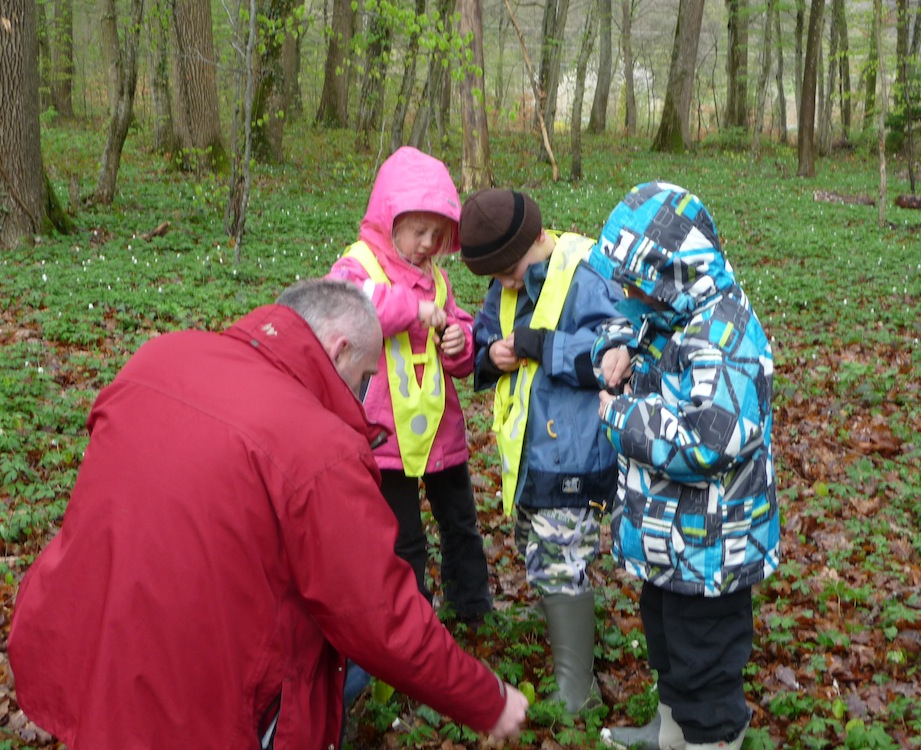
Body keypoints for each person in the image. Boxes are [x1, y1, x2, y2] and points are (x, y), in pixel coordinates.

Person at [7, 279, 528, 750]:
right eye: (366, 376)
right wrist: (489, 700)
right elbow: (382, 619)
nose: (364, 397)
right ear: (338, 350)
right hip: (205, 704)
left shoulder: (159, 357)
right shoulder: (318, 448)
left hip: (91, 648)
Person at [588, 182, 781, 750]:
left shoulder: (727, 337)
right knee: (668, 641)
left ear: (671, 271)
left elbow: (709, 442)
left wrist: (622, 417)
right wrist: (615, 347)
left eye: (637, 282)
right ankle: (672, 730)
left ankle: (712, 737)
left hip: (714, 546)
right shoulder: (671, 308)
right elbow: (633, 326)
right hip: (671, 540)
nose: (628, 294)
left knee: (705, 658)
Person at [459, 188, 624, 714]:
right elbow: (485, 339)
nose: (505, 282)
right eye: (495, 275)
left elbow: (616, 352)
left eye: (510, 269)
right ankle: (566, 635)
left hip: (577, 454)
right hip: (531, 458)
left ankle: (577, 693)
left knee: (558, 560)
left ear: (538, 238)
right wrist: (490, 355)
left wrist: (542, 345)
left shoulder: (585, 270)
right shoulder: (502, 286)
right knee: (541, 550)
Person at [327, 146, 493, 624]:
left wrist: (459, 341)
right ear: (388, 218)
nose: (427, 243)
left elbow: (460, 350)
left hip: (439, 429)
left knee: (460, 522)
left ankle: (473, 607)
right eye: (418, 230)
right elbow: (346, 311)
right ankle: (409, 620)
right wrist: (412, 309)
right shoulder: (358, 266)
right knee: (403, 537)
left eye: (438, 234)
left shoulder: (436, 279)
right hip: (385, 433)